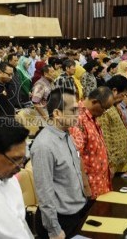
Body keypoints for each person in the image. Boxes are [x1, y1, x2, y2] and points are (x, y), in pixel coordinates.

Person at [31, 88, 91, 239]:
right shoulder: (44, 145)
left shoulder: (66, 134)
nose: (78, 114)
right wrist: (54, 230)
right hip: (60, 220)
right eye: (73, 110)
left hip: (76, 211)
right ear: (57, 113)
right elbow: (45, 193)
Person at [70, 86, 114, 199]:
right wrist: (86, 186)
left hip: (100, 182)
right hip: (90, 187)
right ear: (94, 102)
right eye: (104, 108)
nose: (104, 112)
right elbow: (75, 156)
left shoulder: (91, 115)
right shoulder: (78, 118)